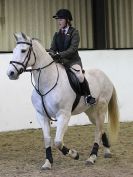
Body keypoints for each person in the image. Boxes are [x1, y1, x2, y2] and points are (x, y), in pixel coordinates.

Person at [49, 9, 96, 105]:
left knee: (79, 76)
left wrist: (59, 55)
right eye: (58, 20)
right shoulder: (56, 34)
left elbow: (72, 49)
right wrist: (51, 53)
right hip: (60, 62)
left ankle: (88, 96)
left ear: (67, 20)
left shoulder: (74, 32)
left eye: (61, 19)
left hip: (73, 61)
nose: (59, 22)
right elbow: (52, 48)